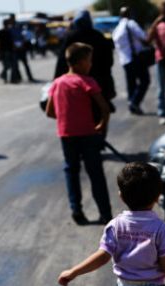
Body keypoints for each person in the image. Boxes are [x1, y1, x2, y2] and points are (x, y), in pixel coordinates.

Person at [46, 43, 113, 225]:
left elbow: (50, 112)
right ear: (82, 62)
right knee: (95, 173)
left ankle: (76, 209)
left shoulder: (57, 83)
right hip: (88, 135)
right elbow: (105, 108)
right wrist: (100, 125)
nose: (91, 64)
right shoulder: (86, 81)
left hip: (66, 134)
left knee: (71, 171)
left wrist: (67, 119)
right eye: (89, 61)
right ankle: (105, 213)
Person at [54, 10, 117, 119]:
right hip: (100, 85)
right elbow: (109, 61)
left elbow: (62, 62)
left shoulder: (71, 37)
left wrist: (57, 82)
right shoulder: (99, 36)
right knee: (99, 115)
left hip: (75, 87)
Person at [113, 7, 151, 115]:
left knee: (131, 84)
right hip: (135, 58)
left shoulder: (117, 29)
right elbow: (143, 37)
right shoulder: (131, 24)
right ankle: (134, 102)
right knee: (145, 80)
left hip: (124, 60)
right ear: (129, 14)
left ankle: (132, 105)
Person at [10, 14, 35, 82]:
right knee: (16, 65)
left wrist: (22, 45)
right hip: (15, 49)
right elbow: (11, 40)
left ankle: (29, 77)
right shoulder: (11, 29)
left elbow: (23, 38)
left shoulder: (19, 29)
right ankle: (18, 78)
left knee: (25, 64)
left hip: (21, 49)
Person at [0, 19, 15, 83]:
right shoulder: (1, 32)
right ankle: (4, 77)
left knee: (10, 65)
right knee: (7, 65)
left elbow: (12, 41)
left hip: (10, 50)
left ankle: (7, 78)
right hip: (4, 50)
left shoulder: (9, 31)